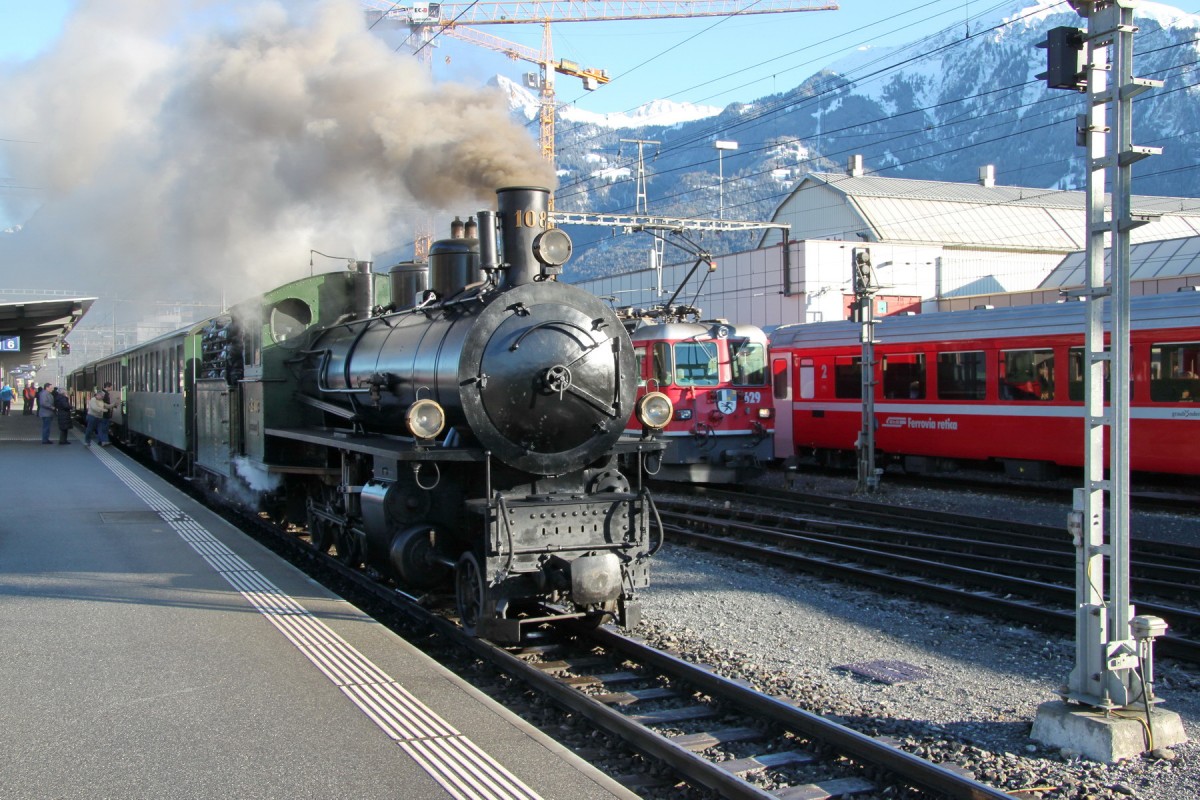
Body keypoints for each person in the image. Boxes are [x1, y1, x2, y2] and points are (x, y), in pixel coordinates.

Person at [99, 381, 114, 446]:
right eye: (111, 387)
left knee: (102, 428)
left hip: (102, 413)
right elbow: (105, 405)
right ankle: (104, 441)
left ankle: (102, 440)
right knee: (104, 428)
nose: (111, 388)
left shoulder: (101, 393)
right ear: (108, 387)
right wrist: (113, 405)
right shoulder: (105, 394)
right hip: (104, 413)